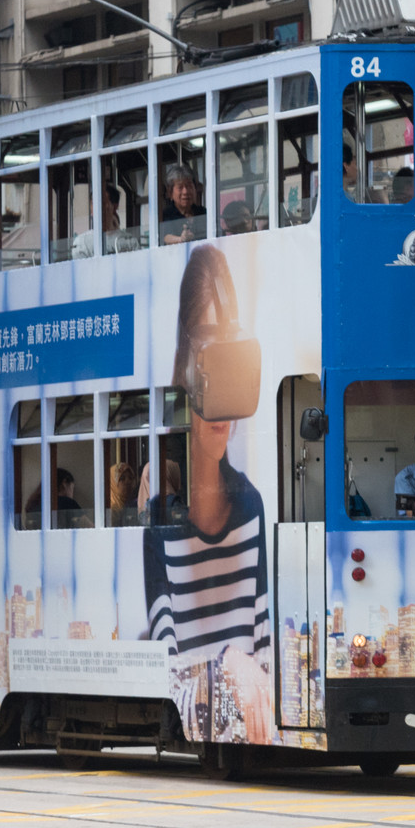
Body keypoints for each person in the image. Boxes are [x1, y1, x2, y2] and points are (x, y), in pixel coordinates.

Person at [143, 244, 273, 739]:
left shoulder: (253, 506)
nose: (224, 397)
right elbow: (167, 671)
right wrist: (228, 665)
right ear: (186, 370)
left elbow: (263, 654)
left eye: (233, 359)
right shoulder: (159, 522)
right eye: (209, 360)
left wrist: (241, 670)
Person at [158, 163, 207, 245]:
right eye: (180, 187)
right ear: (170, 192)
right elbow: (165, 237)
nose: (185, 192)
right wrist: (181, 239)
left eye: (189, 186)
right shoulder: (166, 215)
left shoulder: (202, 212)